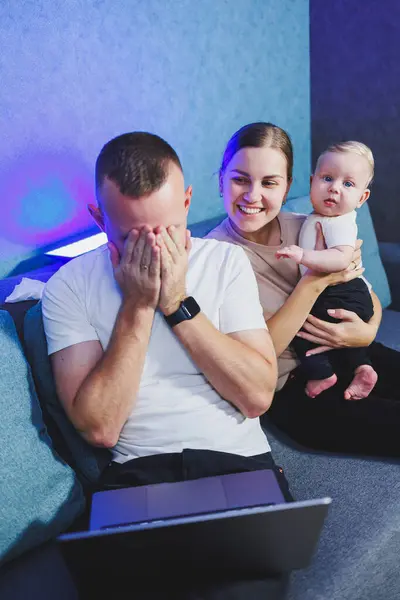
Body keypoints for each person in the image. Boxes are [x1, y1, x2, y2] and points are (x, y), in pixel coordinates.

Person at [42, 132, 290, 599]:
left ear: (188, 201)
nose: (156, 252)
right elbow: (99, 428)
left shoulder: (226, 262)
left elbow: (257, 395)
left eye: (170, 230)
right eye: (134, 237)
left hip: (238, 464)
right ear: (99, 218)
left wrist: (177, 303)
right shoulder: (68, 287)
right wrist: (137, 305)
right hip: (138, 473)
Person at [207, 122, 400, 458]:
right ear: (221, 179)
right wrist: (314, 281)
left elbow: (363, 290)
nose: (253, 195)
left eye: (269, 182)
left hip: (353, 352)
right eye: (240, 179)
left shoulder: (310, 225)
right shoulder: (212, 257)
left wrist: (365, 333)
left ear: (289, 186)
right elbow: (256, 357)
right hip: (299, 387)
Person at [275, 141, 378, 400]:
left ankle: (322, 374)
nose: (334, 188)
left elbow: (341, 259)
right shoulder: (315, 217)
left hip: (342, 290)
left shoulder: (339, 223)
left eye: (348, 184)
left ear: (362, 198)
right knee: (331, 332)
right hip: (347, 292)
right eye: (327, 178)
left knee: (304, 331)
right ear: (312, 182)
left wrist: (304, 256)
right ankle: (362, 368)